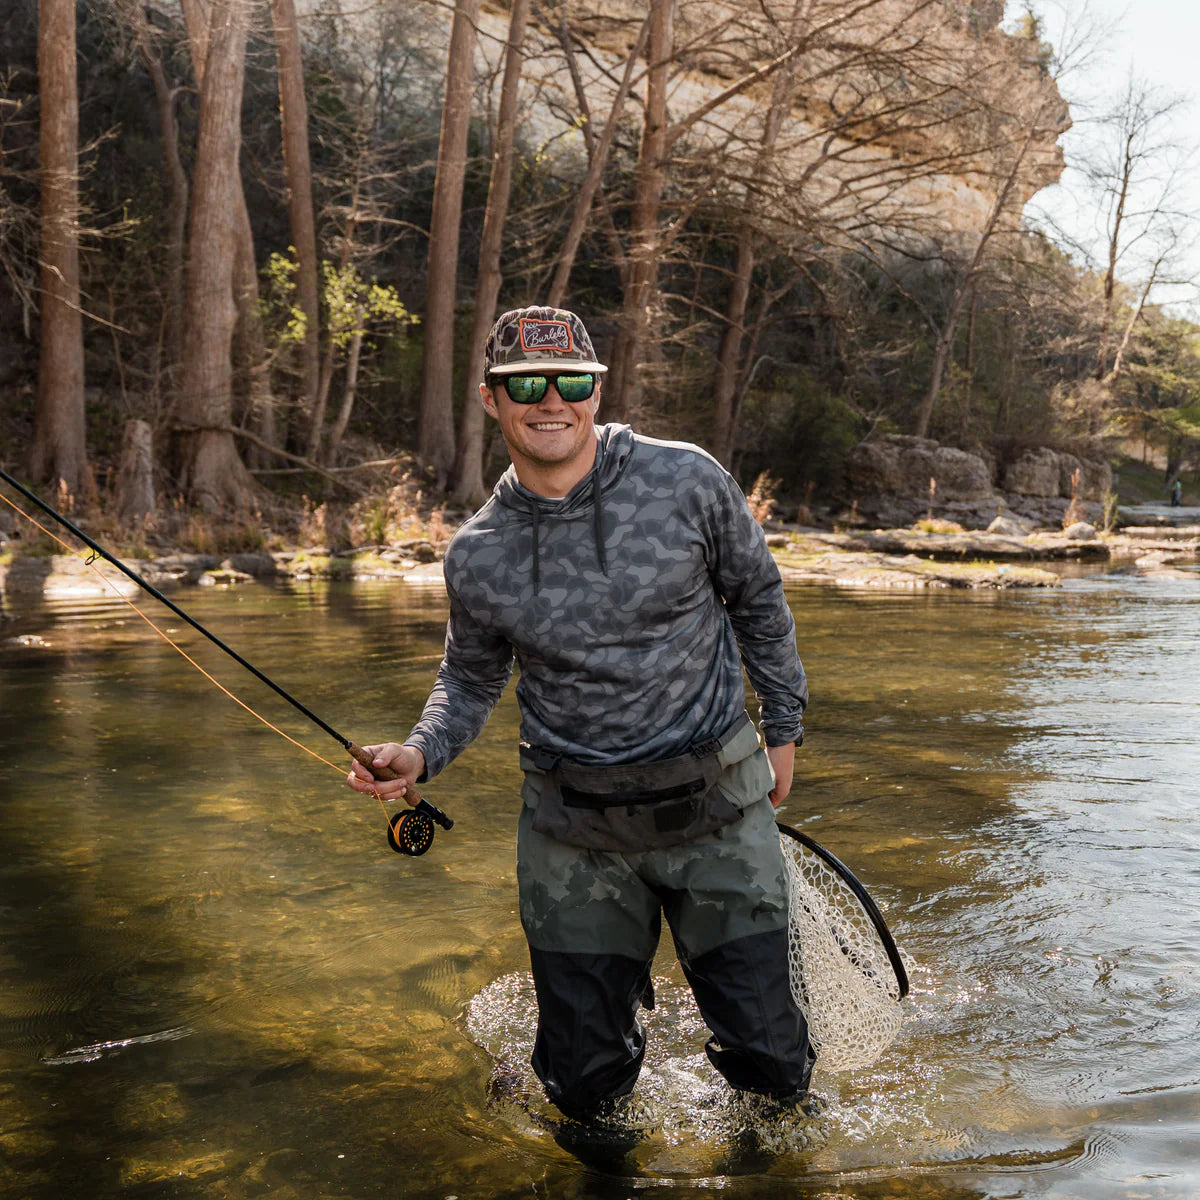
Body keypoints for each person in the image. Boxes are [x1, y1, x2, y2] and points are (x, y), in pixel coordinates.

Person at [348, 305, 813, 1122]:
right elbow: (468, 679)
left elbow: (759, 602)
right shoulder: (477, 552)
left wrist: (784, 729)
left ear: (596, 391)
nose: (550, 399)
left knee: (773, 1066)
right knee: (585, 1088)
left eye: (571, 381)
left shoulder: (690, 480)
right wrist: (420, 754)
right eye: (526, 382)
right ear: (493, 399)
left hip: (718, 811)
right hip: (573, 835)